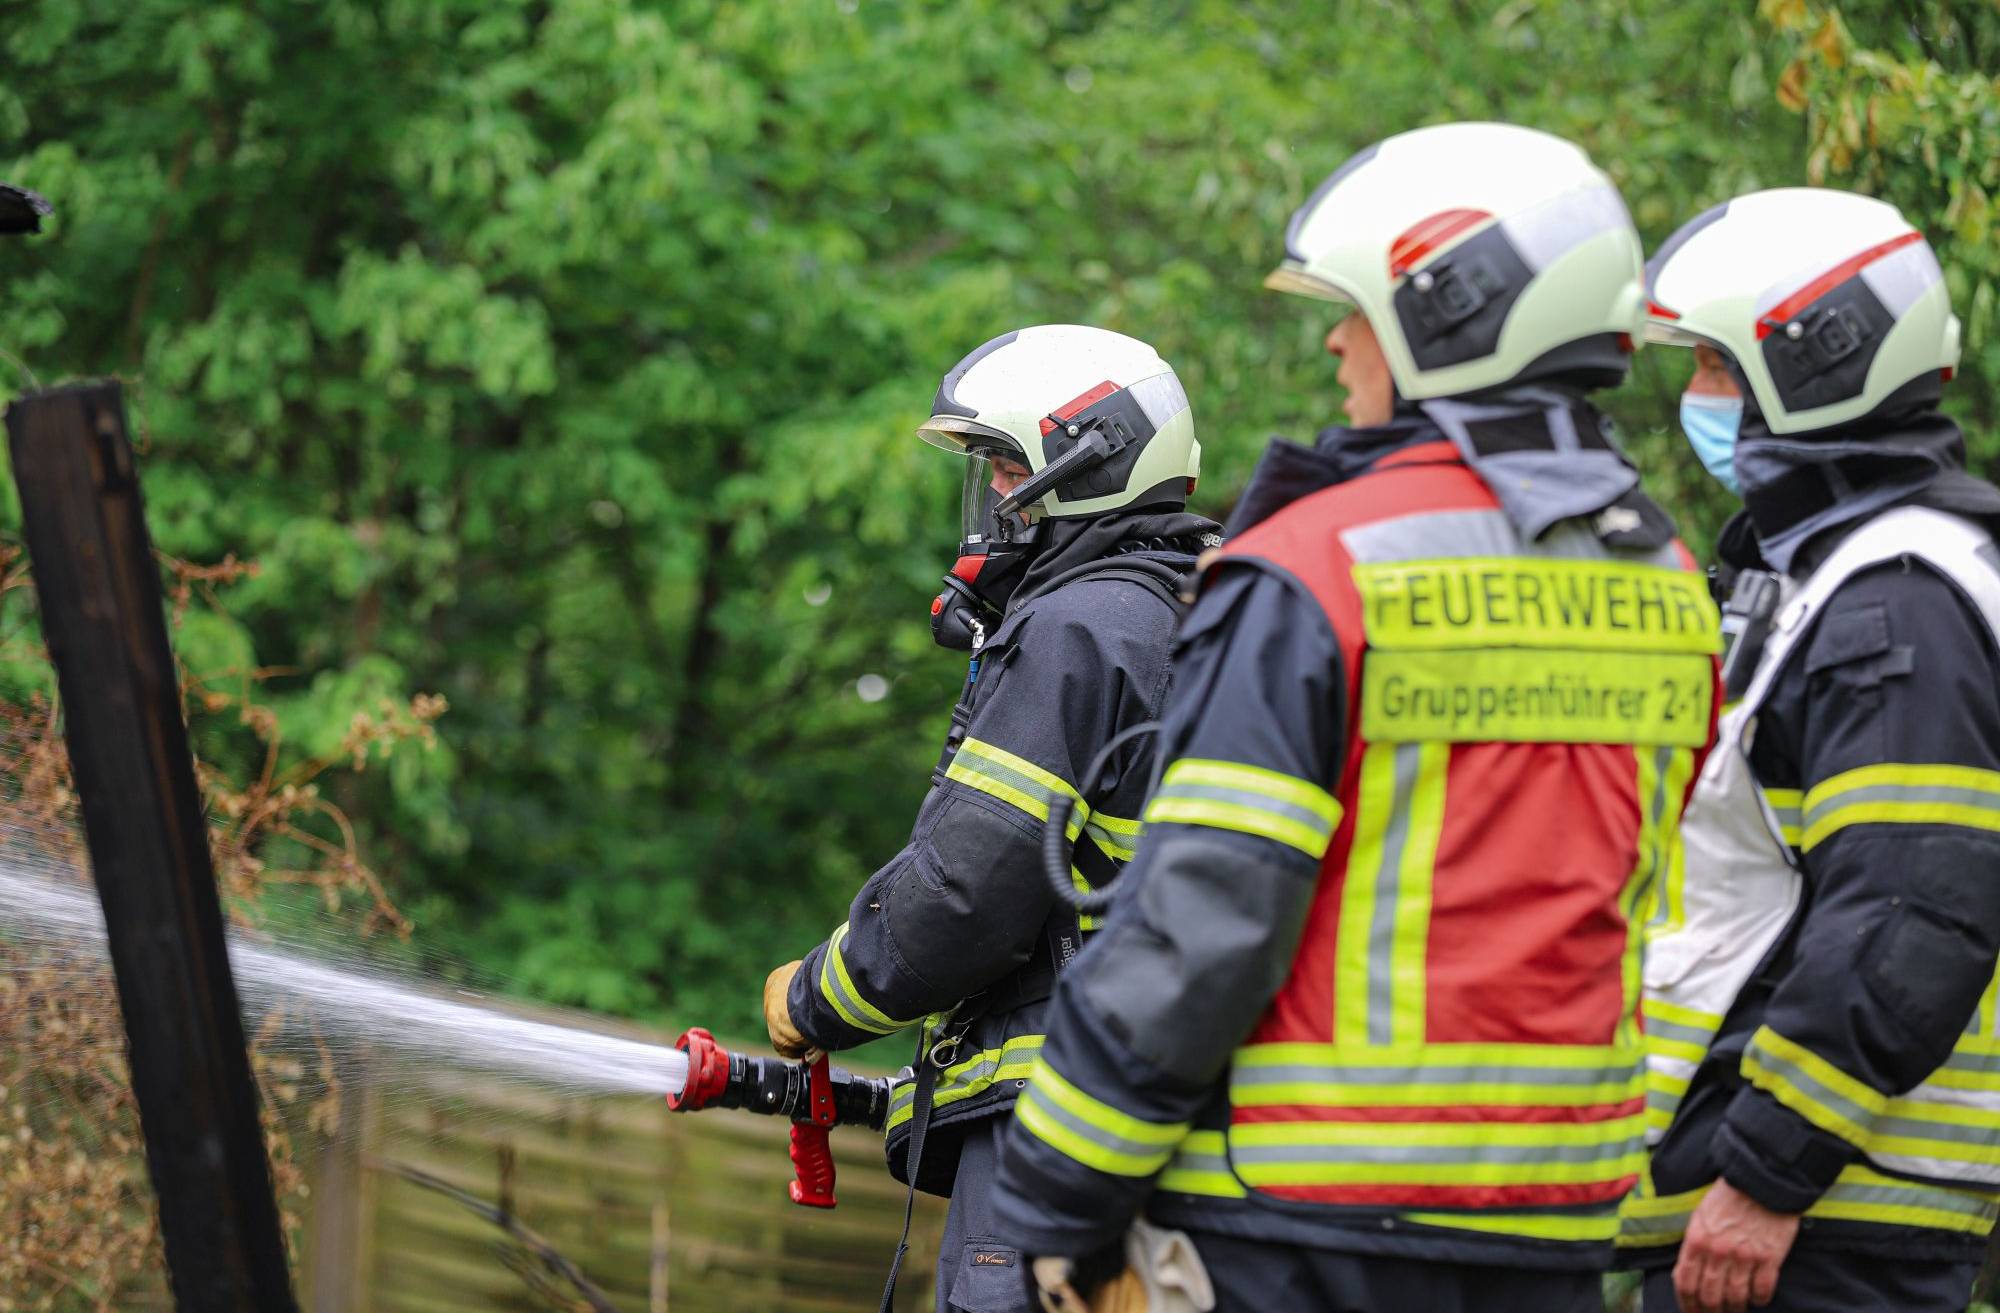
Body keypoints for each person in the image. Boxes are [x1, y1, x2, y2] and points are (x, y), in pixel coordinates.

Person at [987, 122, 1721, 1313]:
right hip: (1556, 1216)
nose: (1335, 342)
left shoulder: (1317, 564)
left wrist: (1055, 1195)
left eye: (1357, 312)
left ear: (1449, 316)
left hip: (1303, 1218)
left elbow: (1199, 927)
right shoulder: (1670, 581)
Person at [760, 324, 1221, 1313]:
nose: (996, 502)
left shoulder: (1079, 628)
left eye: (1010, 470)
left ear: (1091, 469)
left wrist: (813, 996)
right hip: (1189, 1132)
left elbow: (966, 889)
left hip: (1051, 1136)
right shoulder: (1209, 620)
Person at [1618, 188, 2000, 1313]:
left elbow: (1913, 909)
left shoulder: (1898, 594)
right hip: (1803, 1207)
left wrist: (1767, 1171)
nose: (1695, 396)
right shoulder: (1830, 576)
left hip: (1818, 1222)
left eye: (1715, 367)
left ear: (1812, 365)